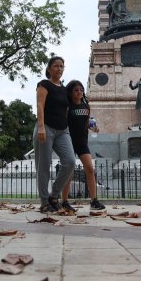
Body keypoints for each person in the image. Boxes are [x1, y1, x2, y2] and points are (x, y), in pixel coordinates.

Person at [35, 56, 76, 214]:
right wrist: (40, 127)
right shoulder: (44, 85)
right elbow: (39, 104)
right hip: (45, 127)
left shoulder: (64, 89)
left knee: (70, 161)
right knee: (43, 166)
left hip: (62, 130)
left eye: (62, 66)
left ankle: (54, 195)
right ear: (49, 68)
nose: (59, 69)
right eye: (56, 66)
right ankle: (44, 202)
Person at [60, 80, 104, 212]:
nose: (79, 92)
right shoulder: (68, 106)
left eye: (81, 89)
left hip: (82, 142)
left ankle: (94, 200)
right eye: (76, 90)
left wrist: (94, 128)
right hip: (69, 142)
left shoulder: (86, 106)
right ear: (71, 92)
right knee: (69, 171)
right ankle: (64, 201)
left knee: (90, 169)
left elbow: (88, 123)